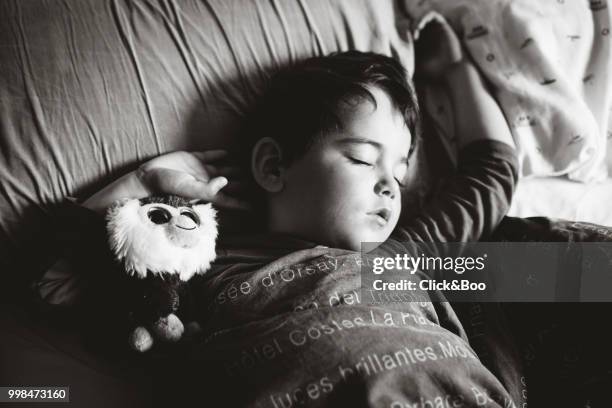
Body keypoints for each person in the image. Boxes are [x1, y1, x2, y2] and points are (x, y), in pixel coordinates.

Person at [38, 19, 521, 407]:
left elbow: (492, 174)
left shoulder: (397, 259)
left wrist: (456, 68)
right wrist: (147, 181)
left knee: (577, 272)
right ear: (273, 165)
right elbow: (55, 284)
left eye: (400, 173)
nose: (388, 186)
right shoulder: (203, 258)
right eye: (362, 158)